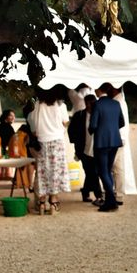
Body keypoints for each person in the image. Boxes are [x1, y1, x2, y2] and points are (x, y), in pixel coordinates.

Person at [28, 86, 71, 215]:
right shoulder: (60, 105)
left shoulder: (37, 105)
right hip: (57, 141)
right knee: (55, 172)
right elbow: (65, 122)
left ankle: (42, 203)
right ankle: (53, 203)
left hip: (42, 142)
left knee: (42, 172)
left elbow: (33, 129)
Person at [89, 84, 124, 212]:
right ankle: (110, 201)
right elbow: (122, 122)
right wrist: (112, 129)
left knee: (102, 171)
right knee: (107, 170)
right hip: (115, 141)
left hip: (101, 142)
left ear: (99, 89)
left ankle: (111, 202)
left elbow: (93, 125)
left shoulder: (97, 104)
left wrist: (92, 130)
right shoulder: (116, 103)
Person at [68, 94, 103, 203]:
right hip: (83, 149)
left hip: (97, 148)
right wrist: (75, 143)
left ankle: (88, 193)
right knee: (90, 172)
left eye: (92, 103)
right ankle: (98, 195)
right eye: (88, 103)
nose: (90, 105)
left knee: (93, 172)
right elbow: (71, 130)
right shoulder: (79, 115)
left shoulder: (99, 114)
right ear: (85, 103)